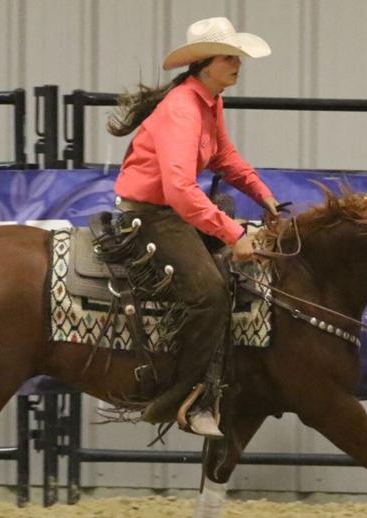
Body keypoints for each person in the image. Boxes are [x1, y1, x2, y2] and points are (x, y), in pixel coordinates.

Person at [108, 17, 280, 438]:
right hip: (149, 216)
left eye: (237, 57)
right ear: (204, 62)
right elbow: (181, 191)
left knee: (232, 277)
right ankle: (182, 398)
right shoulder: (184, 109)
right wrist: (234, 233)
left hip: (168, 210)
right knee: (209, 295)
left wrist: (263, 193)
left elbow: (223, 155)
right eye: (229, 57)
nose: (238, 64)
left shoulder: (209, 100)